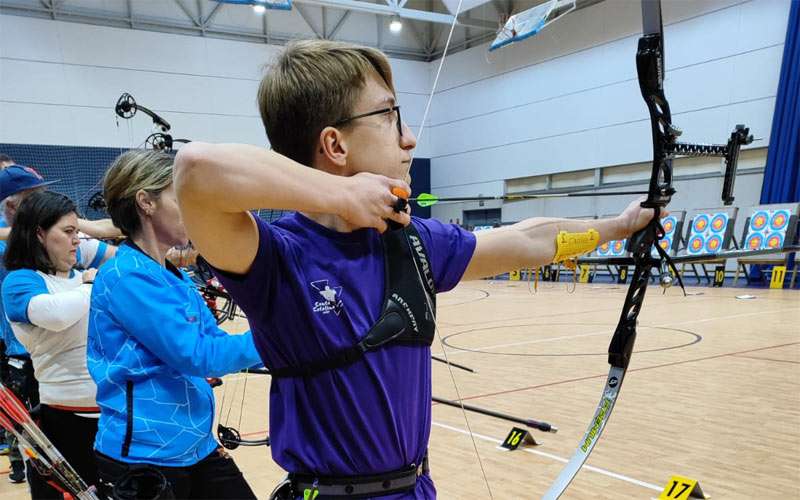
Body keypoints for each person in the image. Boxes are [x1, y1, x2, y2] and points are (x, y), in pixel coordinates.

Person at [173, 39, 660, 499]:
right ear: (335, 146)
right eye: (389, 115)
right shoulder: (275, 258)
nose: (408, 138)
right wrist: (342, 194)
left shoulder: (413, 242)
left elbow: (527, 239)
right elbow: (195, 170)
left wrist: (616, 226)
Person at [87, 149, 261, 499]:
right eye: (182, 198)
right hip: (145, 457)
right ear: (145, 202)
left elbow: (212, 338)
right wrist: (279, 339)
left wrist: (290, 351)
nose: (193, 211)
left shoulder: (174, 275)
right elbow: (195, 355)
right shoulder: (126, 277)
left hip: (195, 445)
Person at [1, 191, 104, 497]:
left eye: (78, 233)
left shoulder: (82, 277)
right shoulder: (21, 281)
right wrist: (93, 285)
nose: (76, 240)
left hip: (111, 416)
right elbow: (56, 315)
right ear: (40, 234)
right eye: (69, 232)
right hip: (63, 421)